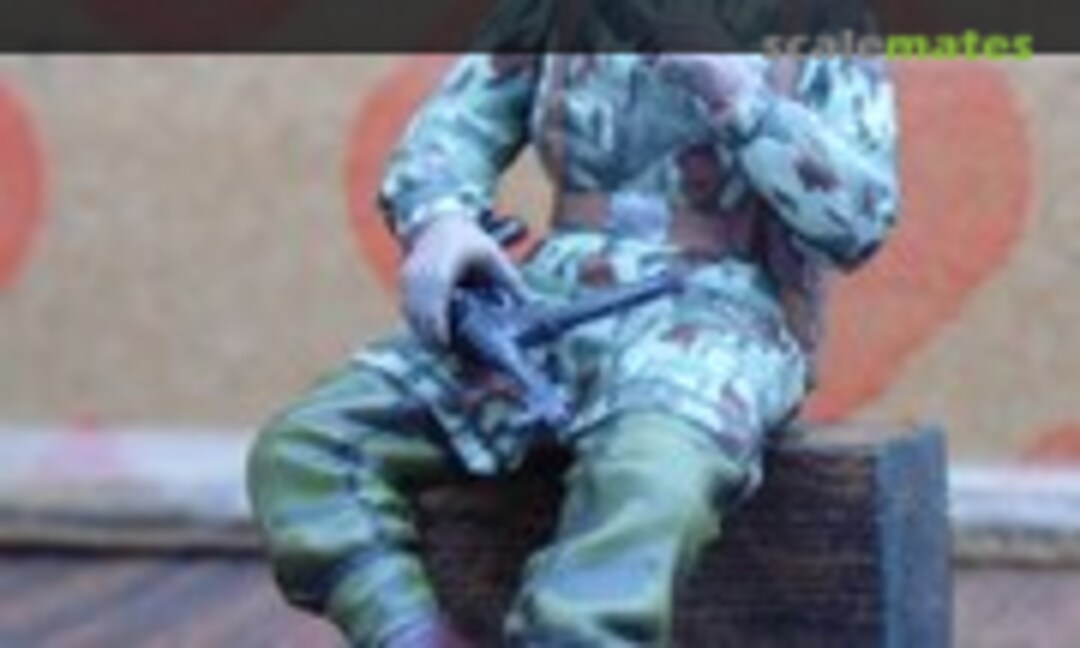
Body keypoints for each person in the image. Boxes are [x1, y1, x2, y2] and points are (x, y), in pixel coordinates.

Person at [247, 49, 898, 647]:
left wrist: (738, 95)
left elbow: (859, 222)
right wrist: (440, 217)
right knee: (309, 448)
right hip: (548, 298)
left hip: (715, 312)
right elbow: (455, 126)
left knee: (652, 470)